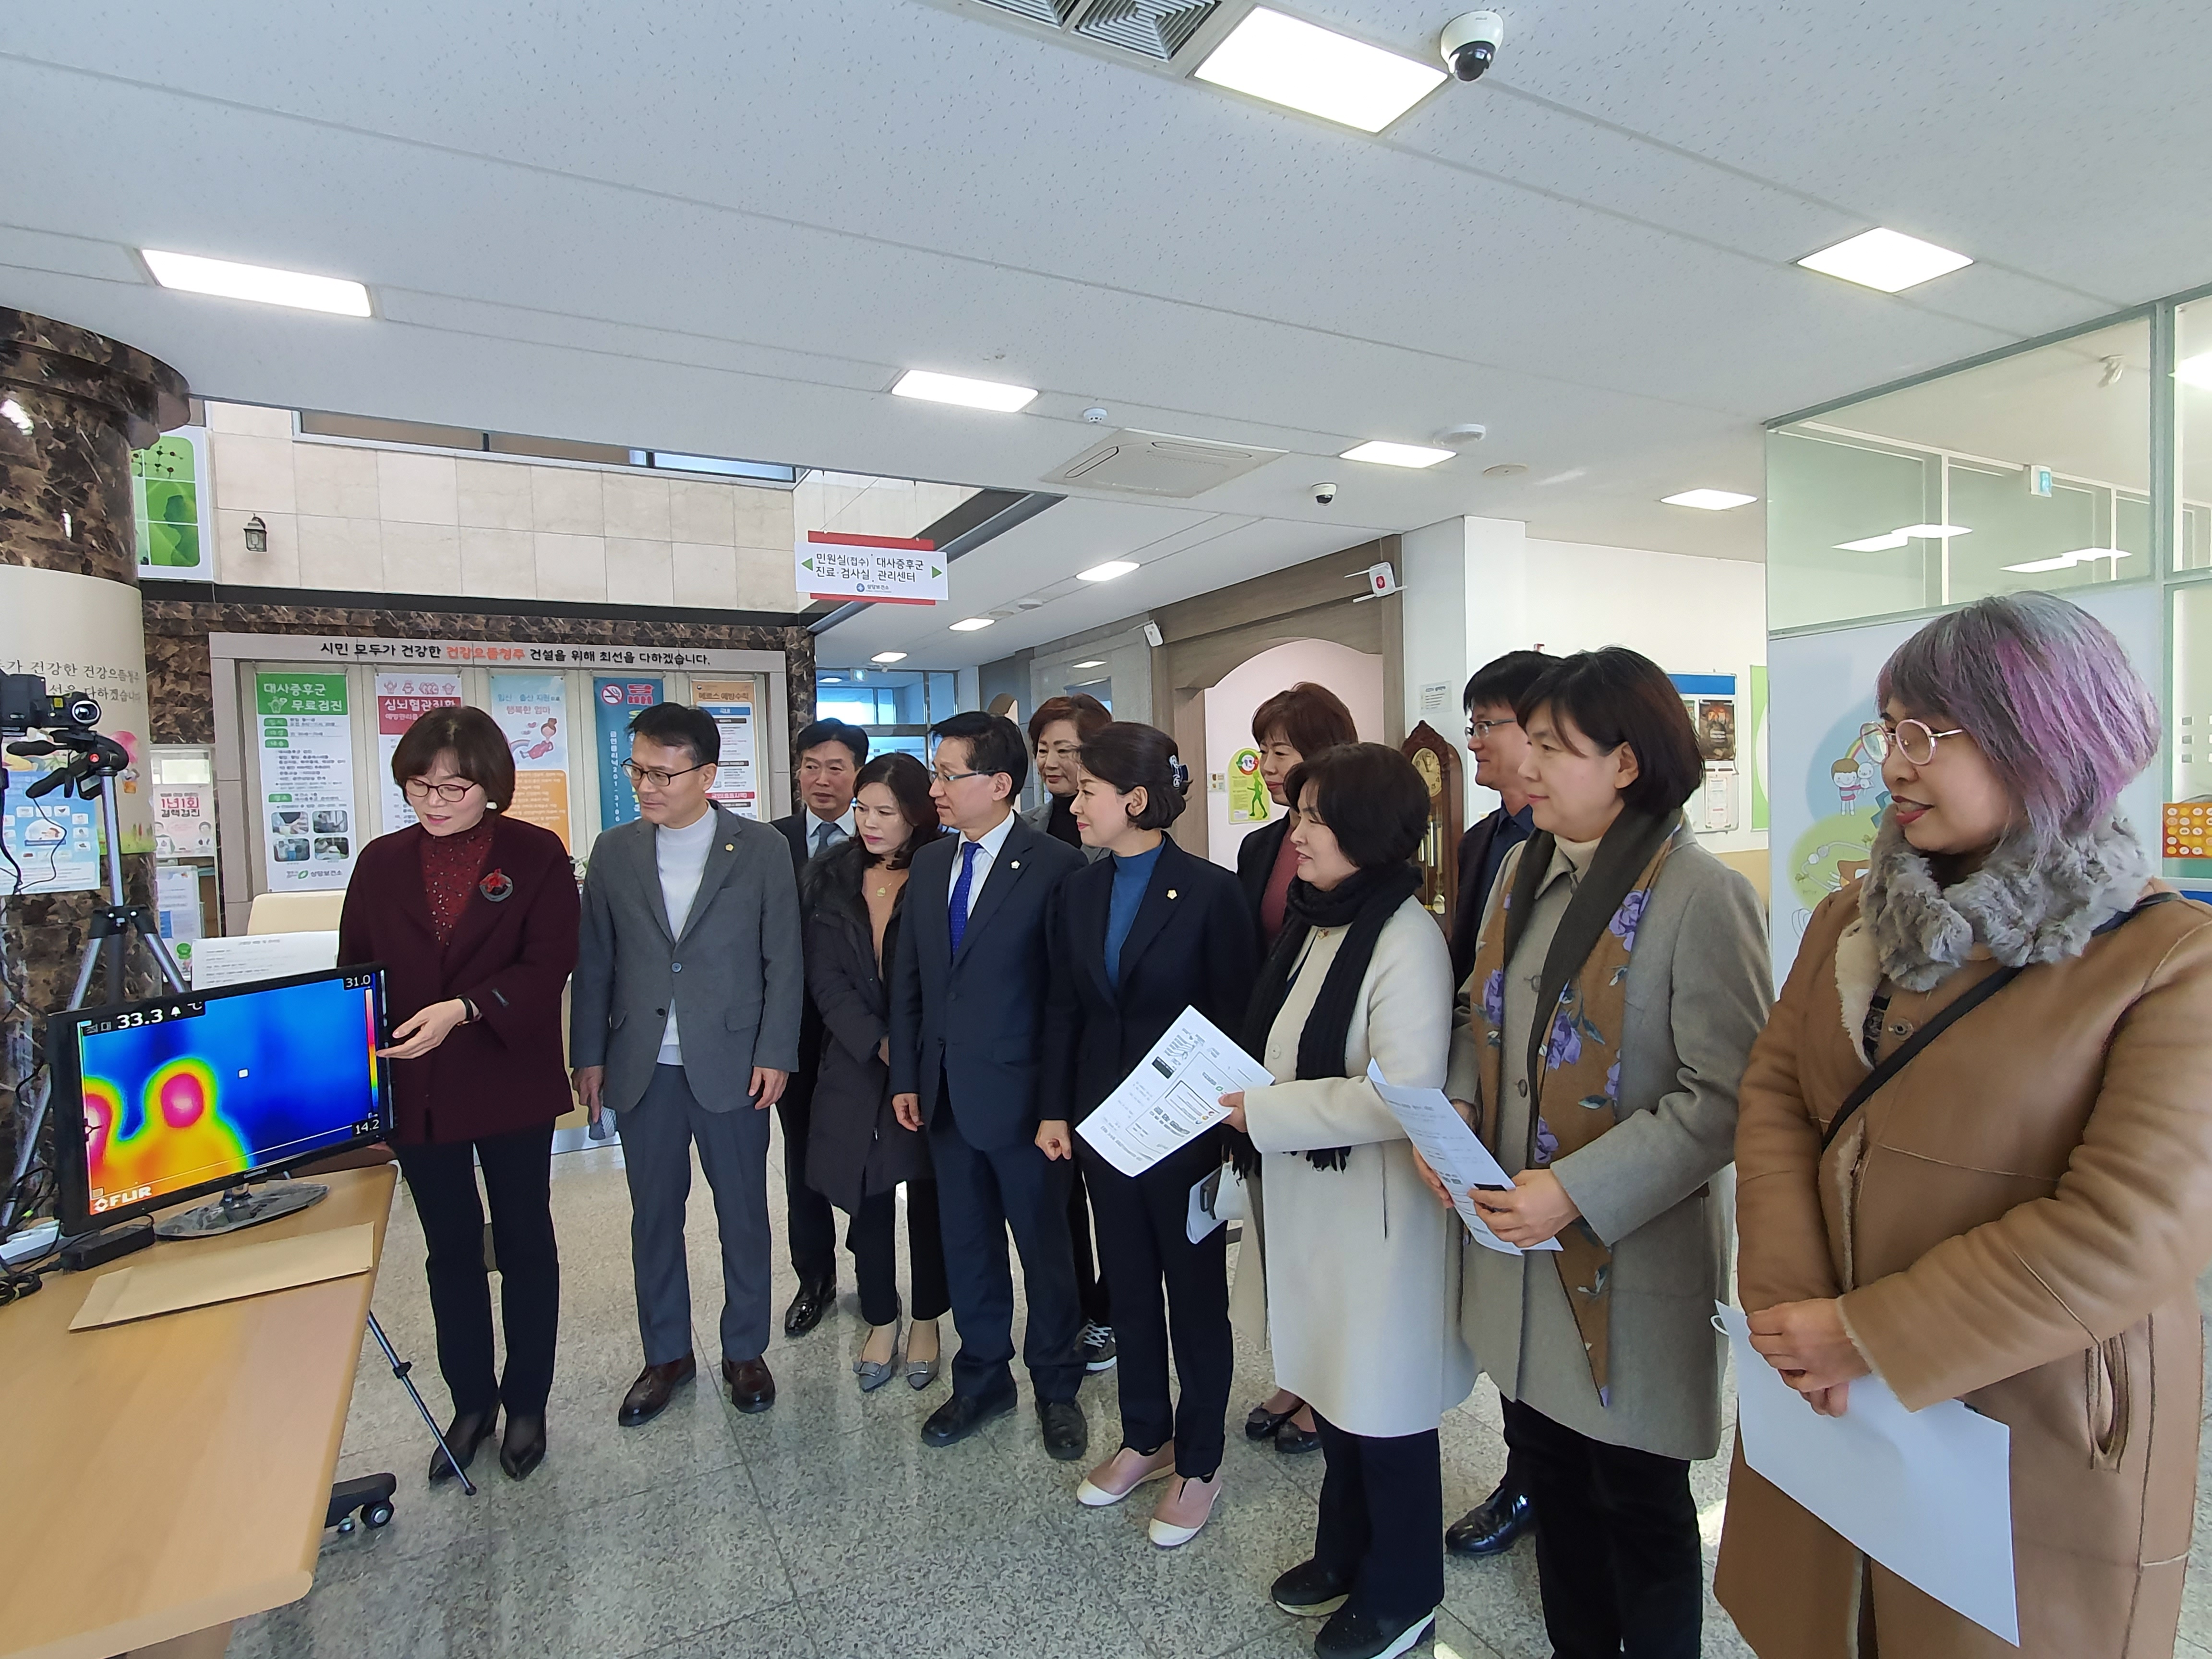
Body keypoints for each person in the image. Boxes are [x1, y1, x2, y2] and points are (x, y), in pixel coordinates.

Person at [1716, 594, 2212, 1659]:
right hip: (1831, 1396)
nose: (1893, 764)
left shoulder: (2167, 960)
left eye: (1928, 734)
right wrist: (1799, 1304)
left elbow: (2138, 1225)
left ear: (2051, 739)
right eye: (1889, 728)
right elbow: (1776, 1100)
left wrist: (1872, 1332)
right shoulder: (1852, 920)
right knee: (1821, 1623)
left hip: (2029, 1411)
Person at [1433, 648, 1770, 1659]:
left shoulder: (1700, 896)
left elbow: (1726, 1096)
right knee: (1554, 1486)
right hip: (1519, 1259)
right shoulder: (1520, 875)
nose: (1522, 766)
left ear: (1626, 763)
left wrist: (1574, 1192)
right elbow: (1471, 1014)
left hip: (1626, 1270)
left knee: (1637, 1504)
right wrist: (1452, 1109)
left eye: (1550, 748)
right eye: (1524, 743)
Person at [1220, 743, 1471, 1659]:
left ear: (1366, 828)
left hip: (1374, 1219)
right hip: (1307, 1205)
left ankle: (1404, 1592)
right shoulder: (1315, 921)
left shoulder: (1404, 937)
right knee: (1331, 1393)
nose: (1297, 833)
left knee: (1384, 1410)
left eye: (1315, 817)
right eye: (1297, 814)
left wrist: (1266, 1110)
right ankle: (1344, 1552)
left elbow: (1400, 1091)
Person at [338, 707, 578, 1484]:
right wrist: (364, 1086)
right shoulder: (380, 863)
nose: (435, 801)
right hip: (419, 1086)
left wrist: (466, 1009)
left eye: (455, 786)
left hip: (506, 1074)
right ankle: (469, 1402)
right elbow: (353, 975)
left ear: (491, 786)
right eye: (420, 784)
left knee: (523, 1239)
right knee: (450, 1250)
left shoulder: (534, 854)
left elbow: (550, 966)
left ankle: (528, 1401)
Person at [1038, 722, 1258, 1547]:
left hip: (1188, 1134)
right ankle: (1144, 1436)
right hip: (1103, 1129)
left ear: (1133, 799)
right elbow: (1064, 1006)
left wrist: (1229, 1129)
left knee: (1195, 1295)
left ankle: (1200, 1458)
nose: (1072, 799)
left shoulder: (1211, 893)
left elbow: (1235, 1021)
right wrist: (1055, 1109)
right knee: (1128, 1290)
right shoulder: (1079, 891)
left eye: (1087, 789)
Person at [572, 702, 803, 1424]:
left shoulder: (759, 848)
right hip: (643, 1064)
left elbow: (783, 959)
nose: (646, 785)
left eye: (662, 773)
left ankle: (745, 1350)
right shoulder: (614, 851)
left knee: (742, 1213)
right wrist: (588, 1057)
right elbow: (596, 962)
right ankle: (665, 1352)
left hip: (733, 1061)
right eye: (637, 769)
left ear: (706, 774)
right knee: (654, 1217)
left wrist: (775, 1051)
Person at [888, 711, 1090, 1459]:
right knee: (965, 1243)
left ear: (1000, 785)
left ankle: (1058, 1384)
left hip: (1026, 1105)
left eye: (949, 775)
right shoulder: (934, 864)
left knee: (1045, 1249)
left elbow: (1067, 1003)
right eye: (936, 772)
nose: (935, 788)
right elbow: (909, 981)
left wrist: (1057, 1106)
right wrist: (908, 1073)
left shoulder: (1057, 868)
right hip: (943, 1095)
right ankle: (981, 1379)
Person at [1441, 649, 1556, 1561]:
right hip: (1489, 1112)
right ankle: (1526, 1477)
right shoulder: (1485, 842)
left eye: (1491, 724)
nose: (1474, 740)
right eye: (1471, 724)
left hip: (1569, 1133)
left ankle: (1548, 1484)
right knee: (1513, 1321)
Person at [1231, 680, 1360, 1460]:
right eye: (1264, 749)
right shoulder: (1260, 846)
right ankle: (1294, 1370)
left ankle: (1326, 1385)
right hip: (1264, 1068)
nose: (1268, 764)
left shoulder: (1354, 844)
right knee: (1276, 1227)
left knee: (1323, 1236)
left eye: (1281, 750)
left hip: (1328, 1073)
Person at [800, 751, 950, 1392]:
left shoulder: (941, 871)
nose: (868, 821)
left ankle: (928, 1318)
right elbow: (825, 978)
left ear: (917, 815)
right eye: (863, 808)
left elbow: (948, 976)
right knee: (866, 1195)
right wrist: (881, 1044)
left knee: (929, 1193)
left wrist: (911, 1049)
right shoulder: (830, 873)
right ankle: (881, 1315)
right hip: (857, 1061)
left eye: (884, 811)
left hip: (932, 1060)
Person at [1022, 692, 1118, 1372]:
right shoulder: (1024, 829)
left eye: (1069, 750)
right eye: (1045, 748)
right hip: (1040, 1036)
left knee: (1110, 1188)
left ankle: (1111, 1312)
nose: (1053, 762)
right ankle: (1075, 1304)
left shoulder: (1110, 839)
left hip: (1103, 1040)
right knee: (1056, 1194)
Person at [769, 717, 869, 1339]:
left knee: (866, 1153)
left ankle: (873, 1263)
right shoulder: (768, 843)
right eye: (811, 766)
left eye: (835, 767)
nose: (822, 779)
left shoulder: (880, 834)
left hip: (860, 1031)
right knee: (803, 1158)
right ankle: (815, 1277)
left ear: (858, 771)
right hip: (796, 1031)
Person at [1022, 691, 1111, 852]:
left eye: (1063, 751)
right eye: (1043, 751)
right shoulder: (1022, 826)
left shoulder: (1119, 829)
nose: (1049, 764)